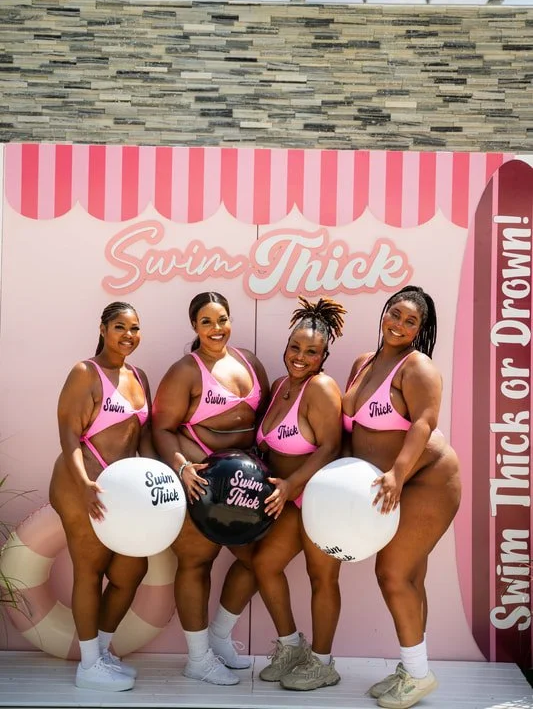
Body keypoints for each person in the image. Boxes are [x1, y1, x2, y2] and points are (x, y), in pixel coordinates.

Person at [342, 285, 461, 709]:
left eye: (411, 321)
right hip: (393, 481)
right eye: (395, 314)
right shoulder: (362, 363)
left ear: (420, 330)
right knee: (409, 578)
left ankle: (418, 675)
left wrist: (397, 472)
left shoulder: (419, 368)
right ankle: (412, 667)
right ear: (384, 312)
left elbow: (424, 424)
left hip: (426, 479)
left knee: (392, 575)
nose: (399, 324)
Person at [152, 291, 270, 686]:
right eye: (207, 322)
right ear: (194, 327)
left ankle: (219, 637)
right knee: (196, 564)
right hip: (200, 485)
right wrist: (182, 467)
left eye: (222, 319)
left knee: (260, 562)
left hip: (242, 488)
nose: (216, 329)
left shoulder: (249, 363)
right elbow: (161, 428)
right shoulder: (185, 370)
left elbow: (266, 417)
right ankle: (198, 659)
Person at [49, 301, 154, 692]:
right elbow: (68, 436)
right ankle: (89, 665)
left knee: (131, 570)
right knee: (90, 571)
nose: (128, 335)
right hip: (81, 487)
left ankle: (103, 652)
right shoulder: (84, 373)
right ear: (103, 328)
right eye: (120, 327)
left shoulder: (139, 375)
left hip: (122, 493)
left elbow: (141, 439)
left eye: (135, 328)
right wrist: (84, 484)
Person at [252, 296, 346, 691]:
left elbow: (330, 447)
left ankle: (323, 663)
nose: (301, 356)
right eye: (296, 347)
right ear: (286, 345)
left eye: (312, 351)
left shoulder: (321, 388)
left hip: (318, 498)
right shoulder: (278, 387)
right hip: (288, 500)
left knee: (321, 577)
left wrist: (293, 484)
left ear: (324, 356)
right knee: (265, 565)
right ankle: (291, 646)